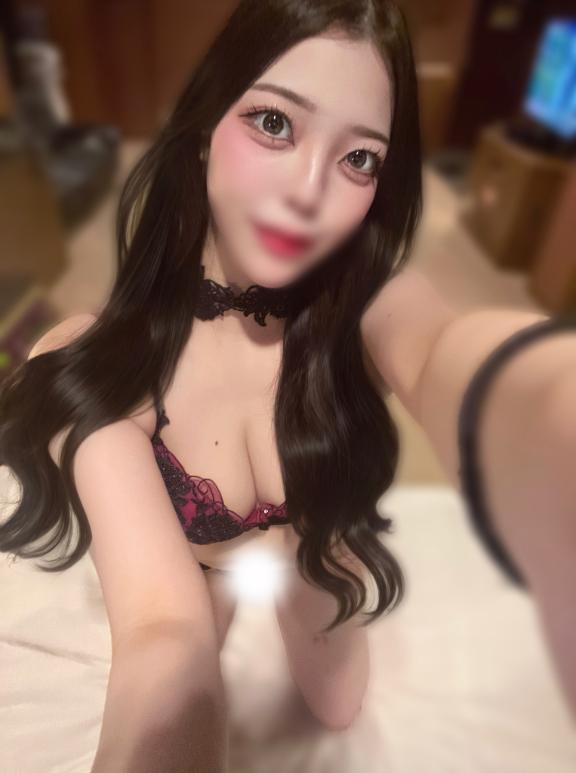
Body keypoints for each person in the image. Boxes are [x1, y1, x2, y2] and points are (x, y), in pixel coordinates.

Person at [0, 2, 574, 771]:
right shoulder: (104, 362)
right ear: (203, 128)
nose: (309, 192)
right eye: (274, 123)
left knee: (339, 704)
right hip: (199, 574)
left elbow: (445, 354)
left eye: (359, 158)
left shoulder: (365, 303)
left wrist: (547, 405)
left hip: (320, 562)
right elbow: (160, 634)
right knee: (186, 664)